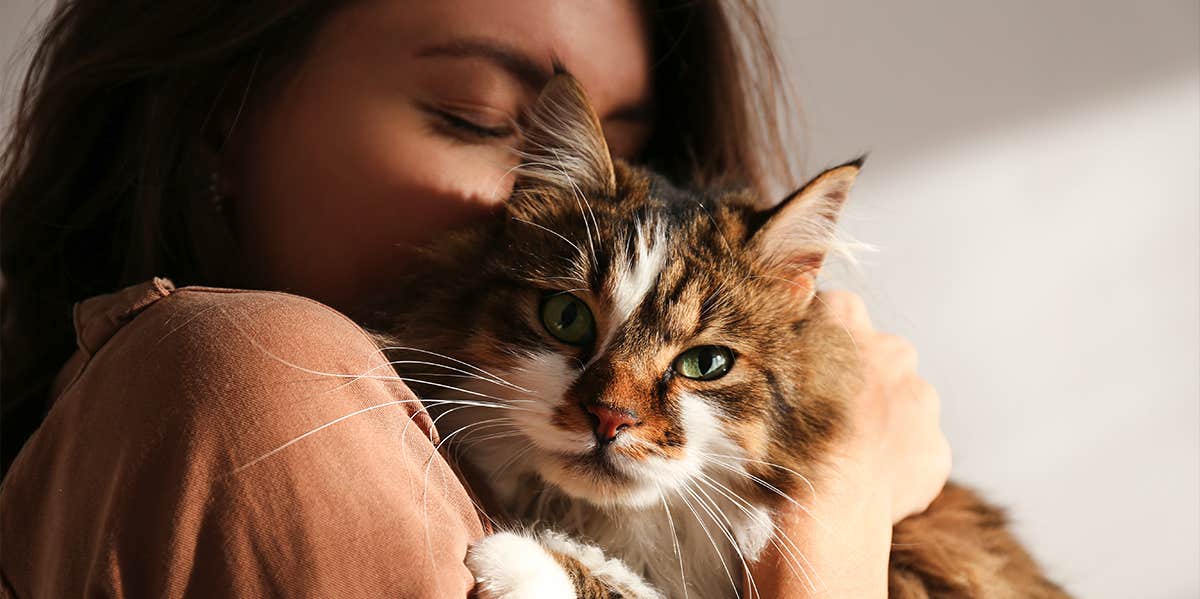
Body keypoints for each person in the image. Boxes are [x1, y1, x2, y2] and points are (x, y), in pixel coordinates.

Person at [0, 0, 951, 596]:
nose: (544, 210)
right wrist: (836, 518)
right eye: (483, 119)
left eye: (626, 152)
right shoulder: (255, 378)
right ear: (220, 116)